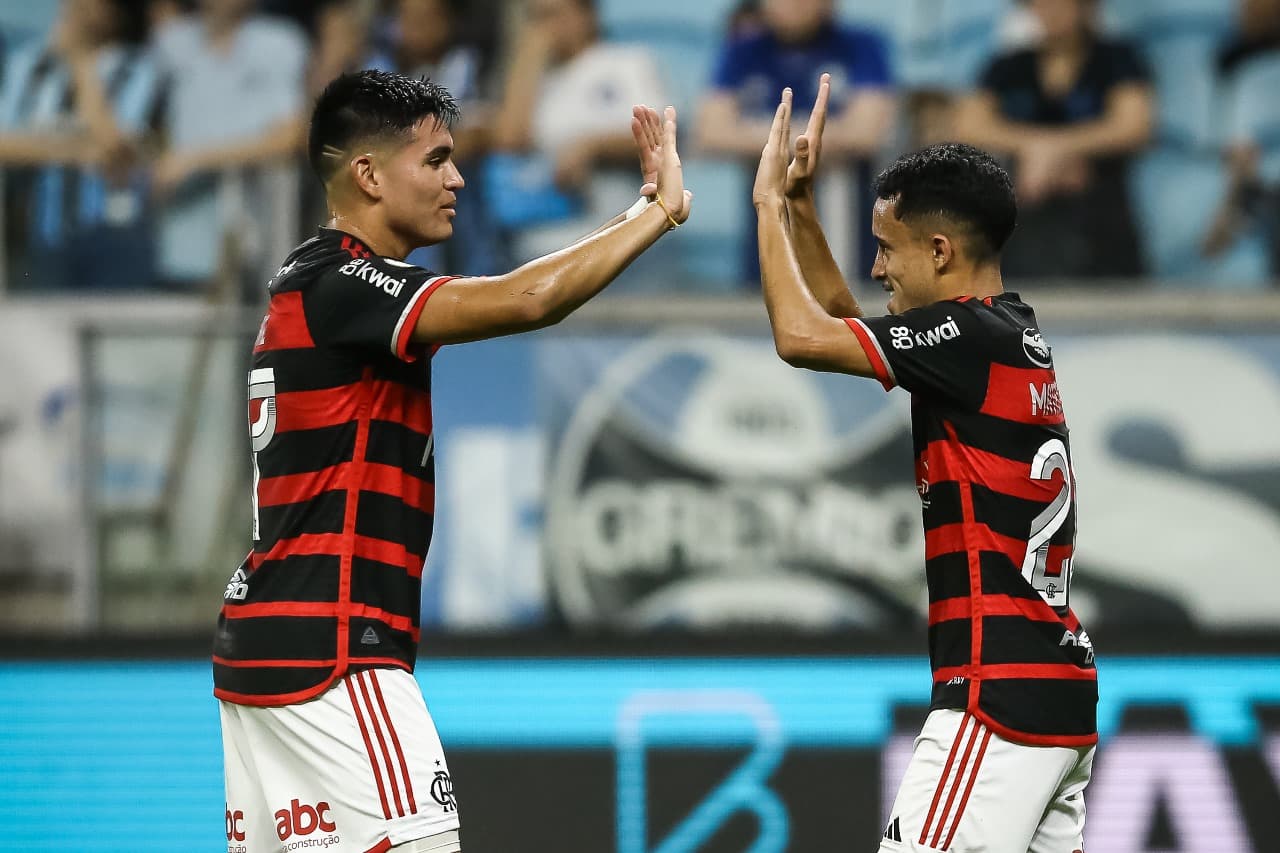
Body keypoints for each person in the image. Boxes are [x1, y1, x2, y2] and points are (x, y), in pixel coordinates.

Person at [214, 69, 690, 853]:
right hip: (334, 653)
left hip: (265, 653)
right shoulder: (344, 283)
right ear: (367, 174)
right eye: (435, 159)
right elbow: (528, 299)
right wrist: (654, 212)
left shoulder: (311, 285)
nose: (457, 178)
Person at [753, 76, 1096, 852]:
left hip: (993, 698)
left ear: (939, 251)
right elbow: (849, 327)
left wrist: (769, 206)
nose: (877, 269)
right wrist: (807, 212)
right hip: (1058, 696)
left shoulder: (966, 342)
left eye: (884, 248)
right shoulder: (1002, 332)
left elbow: (804, 338)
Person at [953, 0, 1153, 281]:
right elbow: (968, 125)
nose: (1052, 12)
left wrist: (1055, 150)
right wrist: (1036, 148)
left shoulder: (1116, 59)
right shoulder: (1010, 65)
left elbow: (1133, 126)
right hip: (1028, 216)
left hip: (1102, 220)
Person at [696, 0, 894, 284]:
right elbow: (711, 132)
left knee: (845, 306)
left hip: (849, 217)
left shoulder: (861, 45)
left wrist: (763, 136)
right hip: (768, 218)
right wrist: (819, 138)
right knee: (770, 299)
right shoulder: (742, 51)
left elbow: (867, 131)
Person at [149, 0, 309, 291]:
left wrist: (193, 160)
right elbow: (149, 129)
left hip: (255, 240)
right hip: (180, 236)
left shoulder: (279, 42)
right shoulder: (171, 42)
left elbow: (288, 139)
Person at [490, 0, 667, 262]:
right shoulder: (537, 79)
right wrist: (528, 60)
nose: (545, 28)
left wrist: (592, 147)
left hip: (623, 226)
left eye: (553, 15)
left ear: (587, 15)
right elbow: (508, 141)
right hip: (544, 235)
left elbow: (659, 133)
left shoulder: (625, 61)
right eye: (536, 19)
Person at [0, 0, 157, 290]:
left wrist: (81, 63)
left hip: (116, 238)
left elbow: (115, 149)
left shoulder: (139, 67)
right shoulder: (32, 65)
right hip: (43, 236)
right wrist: (73, 150)